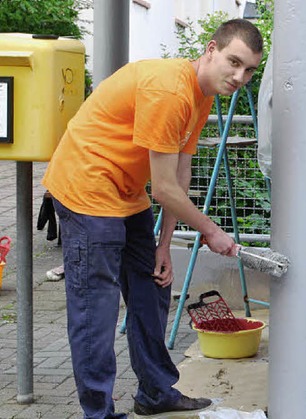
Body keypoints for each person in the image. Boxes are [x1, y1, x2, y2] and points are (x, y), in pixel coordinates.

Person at [42, 19, 263, 419]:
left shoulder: (203, 93)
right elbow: (163, 189)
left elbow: (180, 175)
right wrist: (210, 231)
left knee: (153, 285)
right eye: (234, 62)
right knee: (97, 308)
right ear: (211, 49)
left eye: (249, 70)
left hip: (126, 194)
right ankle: (99, 413)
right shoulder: (170, 90)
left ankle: (156, 392)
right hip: (86, 190)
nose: (239, 76)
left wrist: (164, 246)